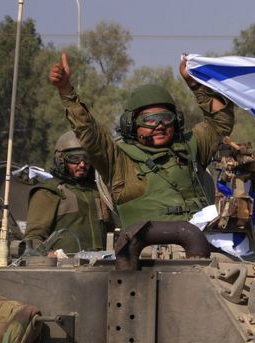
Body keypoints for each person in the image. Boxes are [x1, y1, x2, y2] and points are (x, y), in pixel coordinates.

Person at [48, 54, 234, 231]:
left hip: (204, 244)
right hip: (147, 255)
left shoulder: (192, 146)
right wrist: (66, 90)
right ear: (131, 125)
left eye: (165, 118)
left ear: (176, 120)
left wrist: (194, 84)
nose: (159, 126)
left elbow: (221, 121)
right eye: (150, 120)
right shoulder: (119, 161)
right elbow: (89, 132)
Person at [23, 131, 112, 253]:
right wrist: (49, 255)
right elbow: (33, 239)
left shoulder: (99, 191)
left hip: (101, 266)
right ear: (61, 160)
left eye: (86, 158)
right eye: (75, 158)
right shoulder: (49, 192)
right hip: (64, 268)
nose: (82, 164)